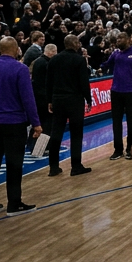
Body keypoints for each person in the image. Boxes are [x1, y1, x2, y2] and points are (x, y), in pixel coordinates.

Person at [0, 37, 43, 216]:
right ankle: (14, 203)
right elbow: (28, 99)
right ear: (16, 49)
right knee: (14, 163)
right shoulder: (20, 69)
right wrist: (36, 123)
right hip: (13, 122)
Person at [46, 35, 93, 177]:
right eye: (78, 42)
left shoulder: (54, 60)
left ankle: (53, 167)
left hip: (58, 100)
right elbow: (84, 82)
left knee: (56, 133)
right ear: (73, 44)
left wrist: (49, 100)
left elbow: (49, 82)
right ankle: (76, 166)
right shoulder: (79, 60)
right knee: (76, 134)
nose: (79, 44)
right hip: (74, 100)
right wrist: (88, 99)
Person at [102, 31, 132, 160]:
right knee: (116, 122)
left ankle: (130, 148)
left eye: (121, 38)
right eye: (117, 39)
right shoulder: (115, 54)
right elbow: (106, 65)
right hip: (116, 91)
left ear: (128, 40)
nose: (118, 41)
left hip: (131, 91)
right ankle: (118, 149)